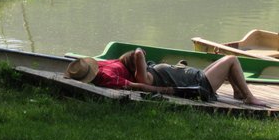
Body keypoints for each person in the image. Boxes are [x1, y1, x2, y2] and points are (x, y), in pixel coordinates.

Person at [64, 48, 265, 106]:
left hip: (195, 77)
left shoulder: (103, 67)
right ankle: (249, 97)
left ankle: (238, 91)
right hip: (198, 82)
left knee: (224, 62)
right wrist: (165, 90)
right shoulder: (141, 77)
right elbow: (138, 81)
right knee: (231, 59)